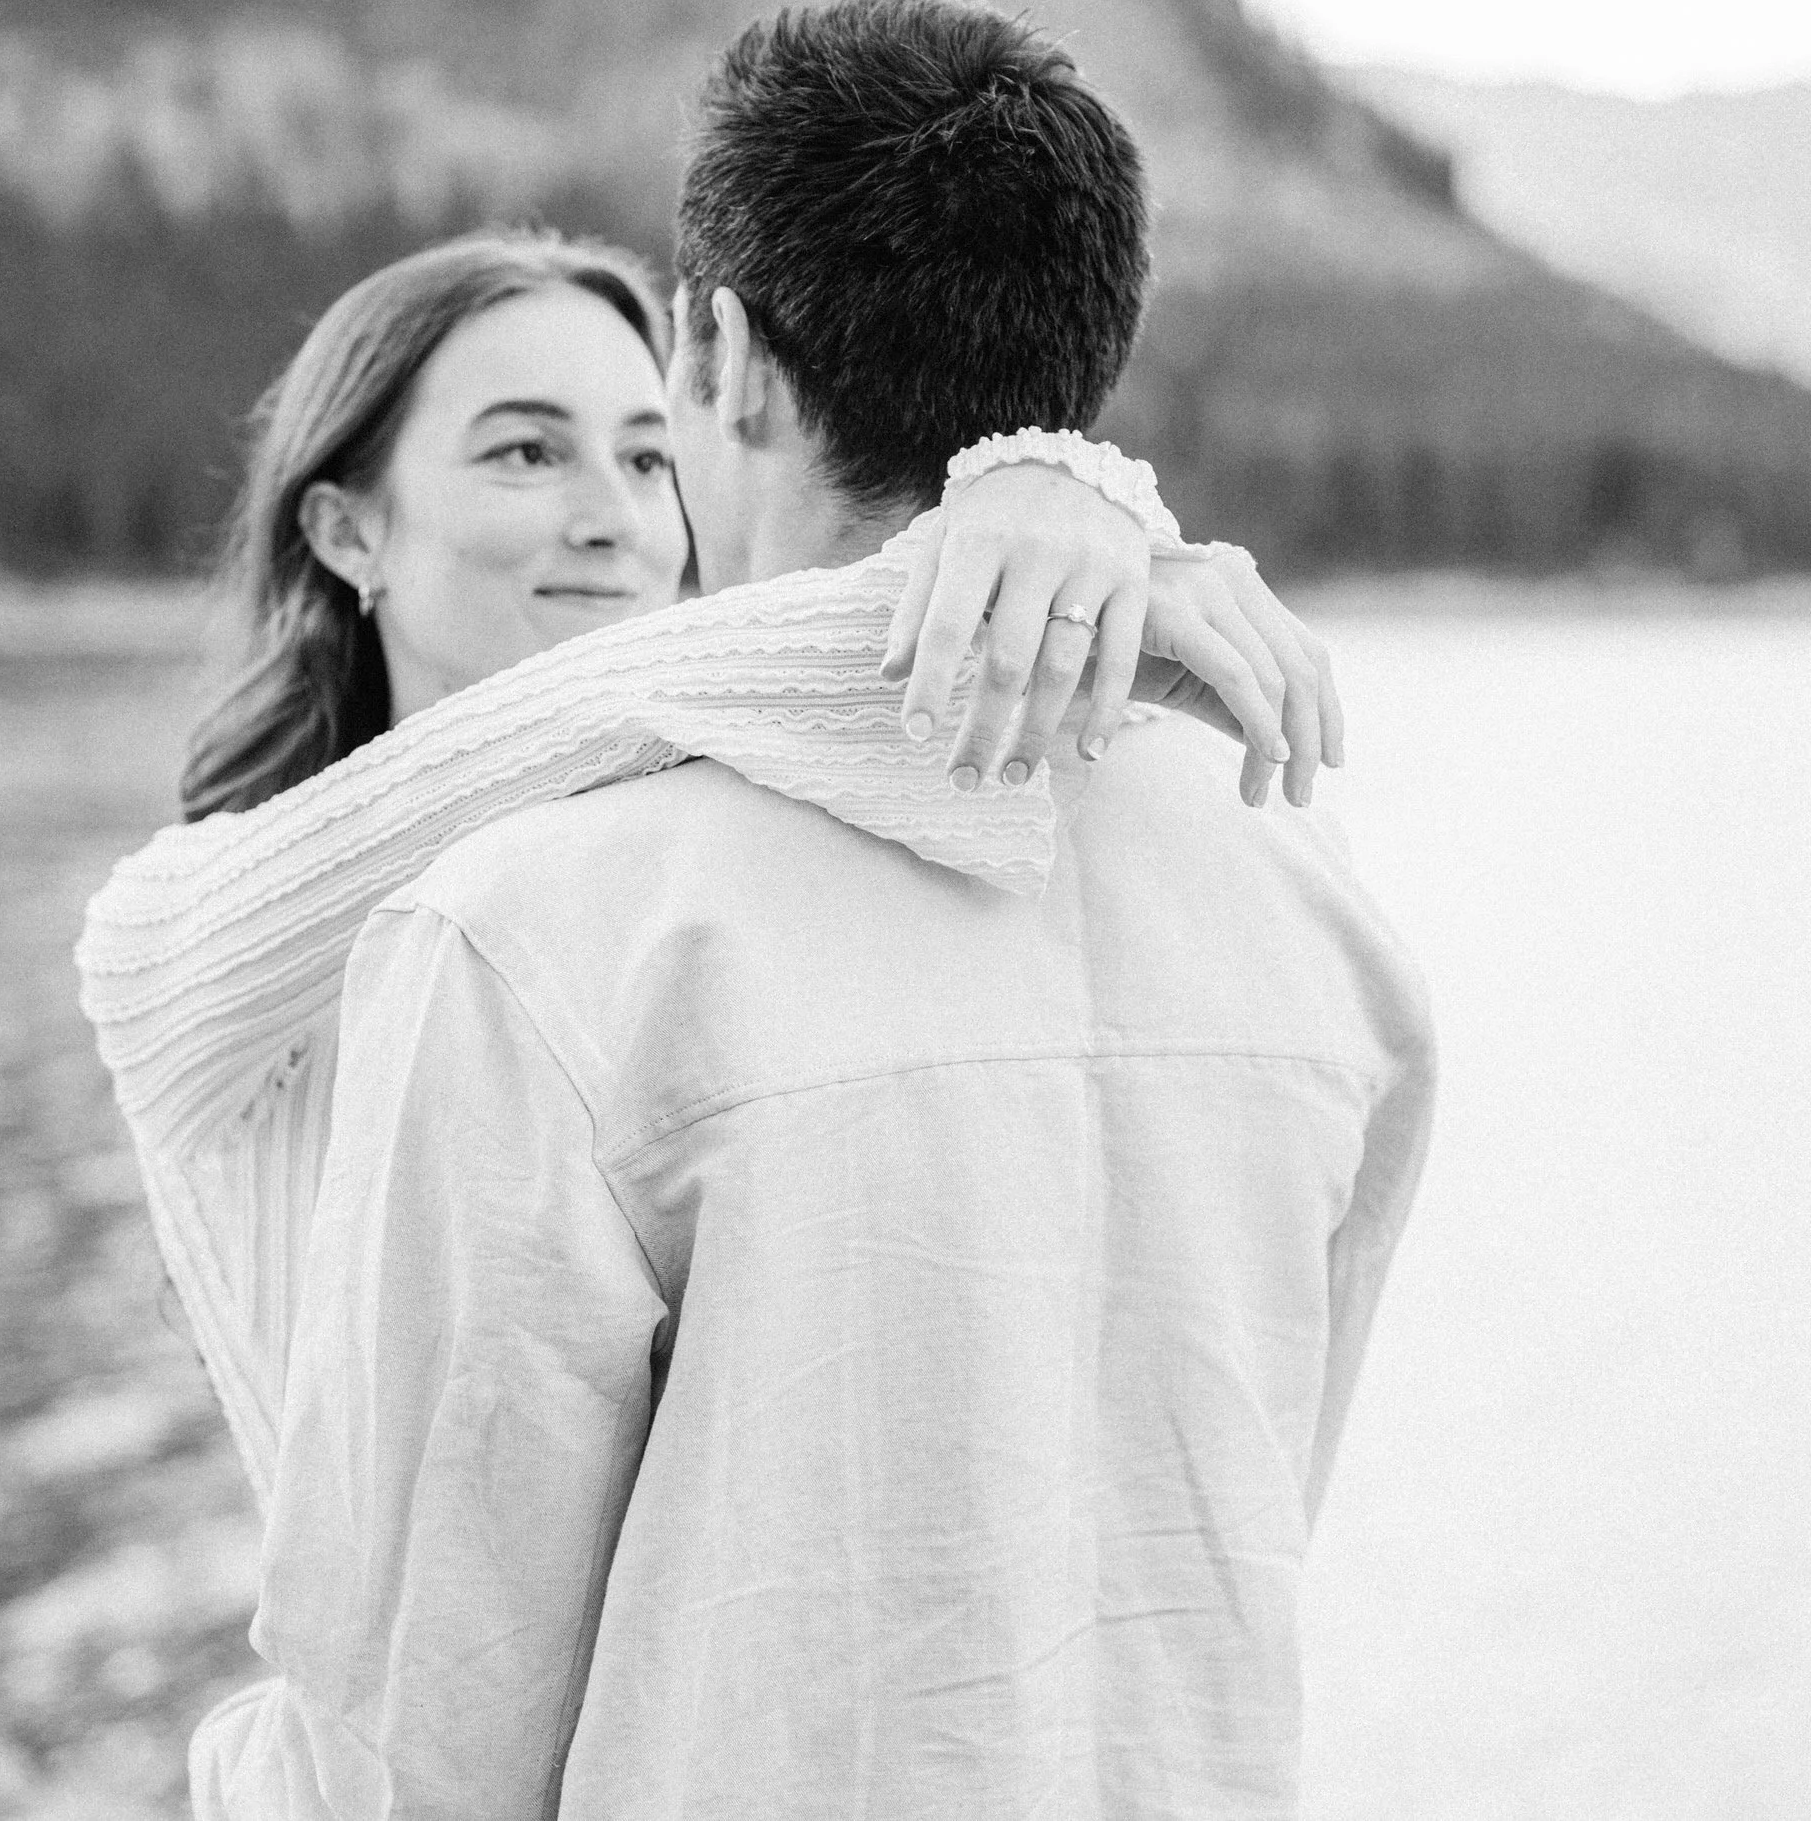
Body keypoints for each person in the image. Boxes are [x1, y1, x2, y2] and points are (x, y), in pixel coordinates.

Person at [197, 0, 1434, 1819]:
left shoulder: (545, 935)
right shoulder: (1318, 917)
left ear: (712, 355)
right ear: (1080, 364)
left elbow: (421, 1733)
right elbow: (1246, 1516)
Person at [81, 229, 1339, 1510]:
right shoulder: (171, 939)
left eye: (644, 455)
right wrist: (1027, 542)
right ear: (349, 533)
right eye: (527, 452)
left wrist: (1043, 534)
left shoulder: (694, 882)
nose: (620, 522)